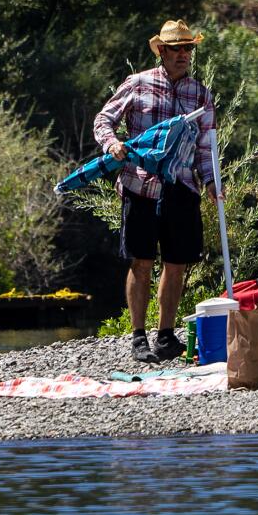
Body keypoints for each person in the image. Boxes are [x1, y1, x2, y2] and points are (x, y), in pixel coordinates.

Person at [93, 19, 221, 364]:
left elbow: (206, 147)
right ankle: (138, 337)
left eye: (188, 48)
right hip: (140, 185)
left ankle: (165, 336)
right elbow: (103, 119)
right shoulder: (137, 84)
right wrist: (112, 144)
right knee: (141, 260)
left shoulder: (201, 94)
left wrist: (211, 183)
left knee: (178, 262)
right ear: (161, 51)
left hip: (182, 186)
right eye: (176, 49)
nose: (183, 54)